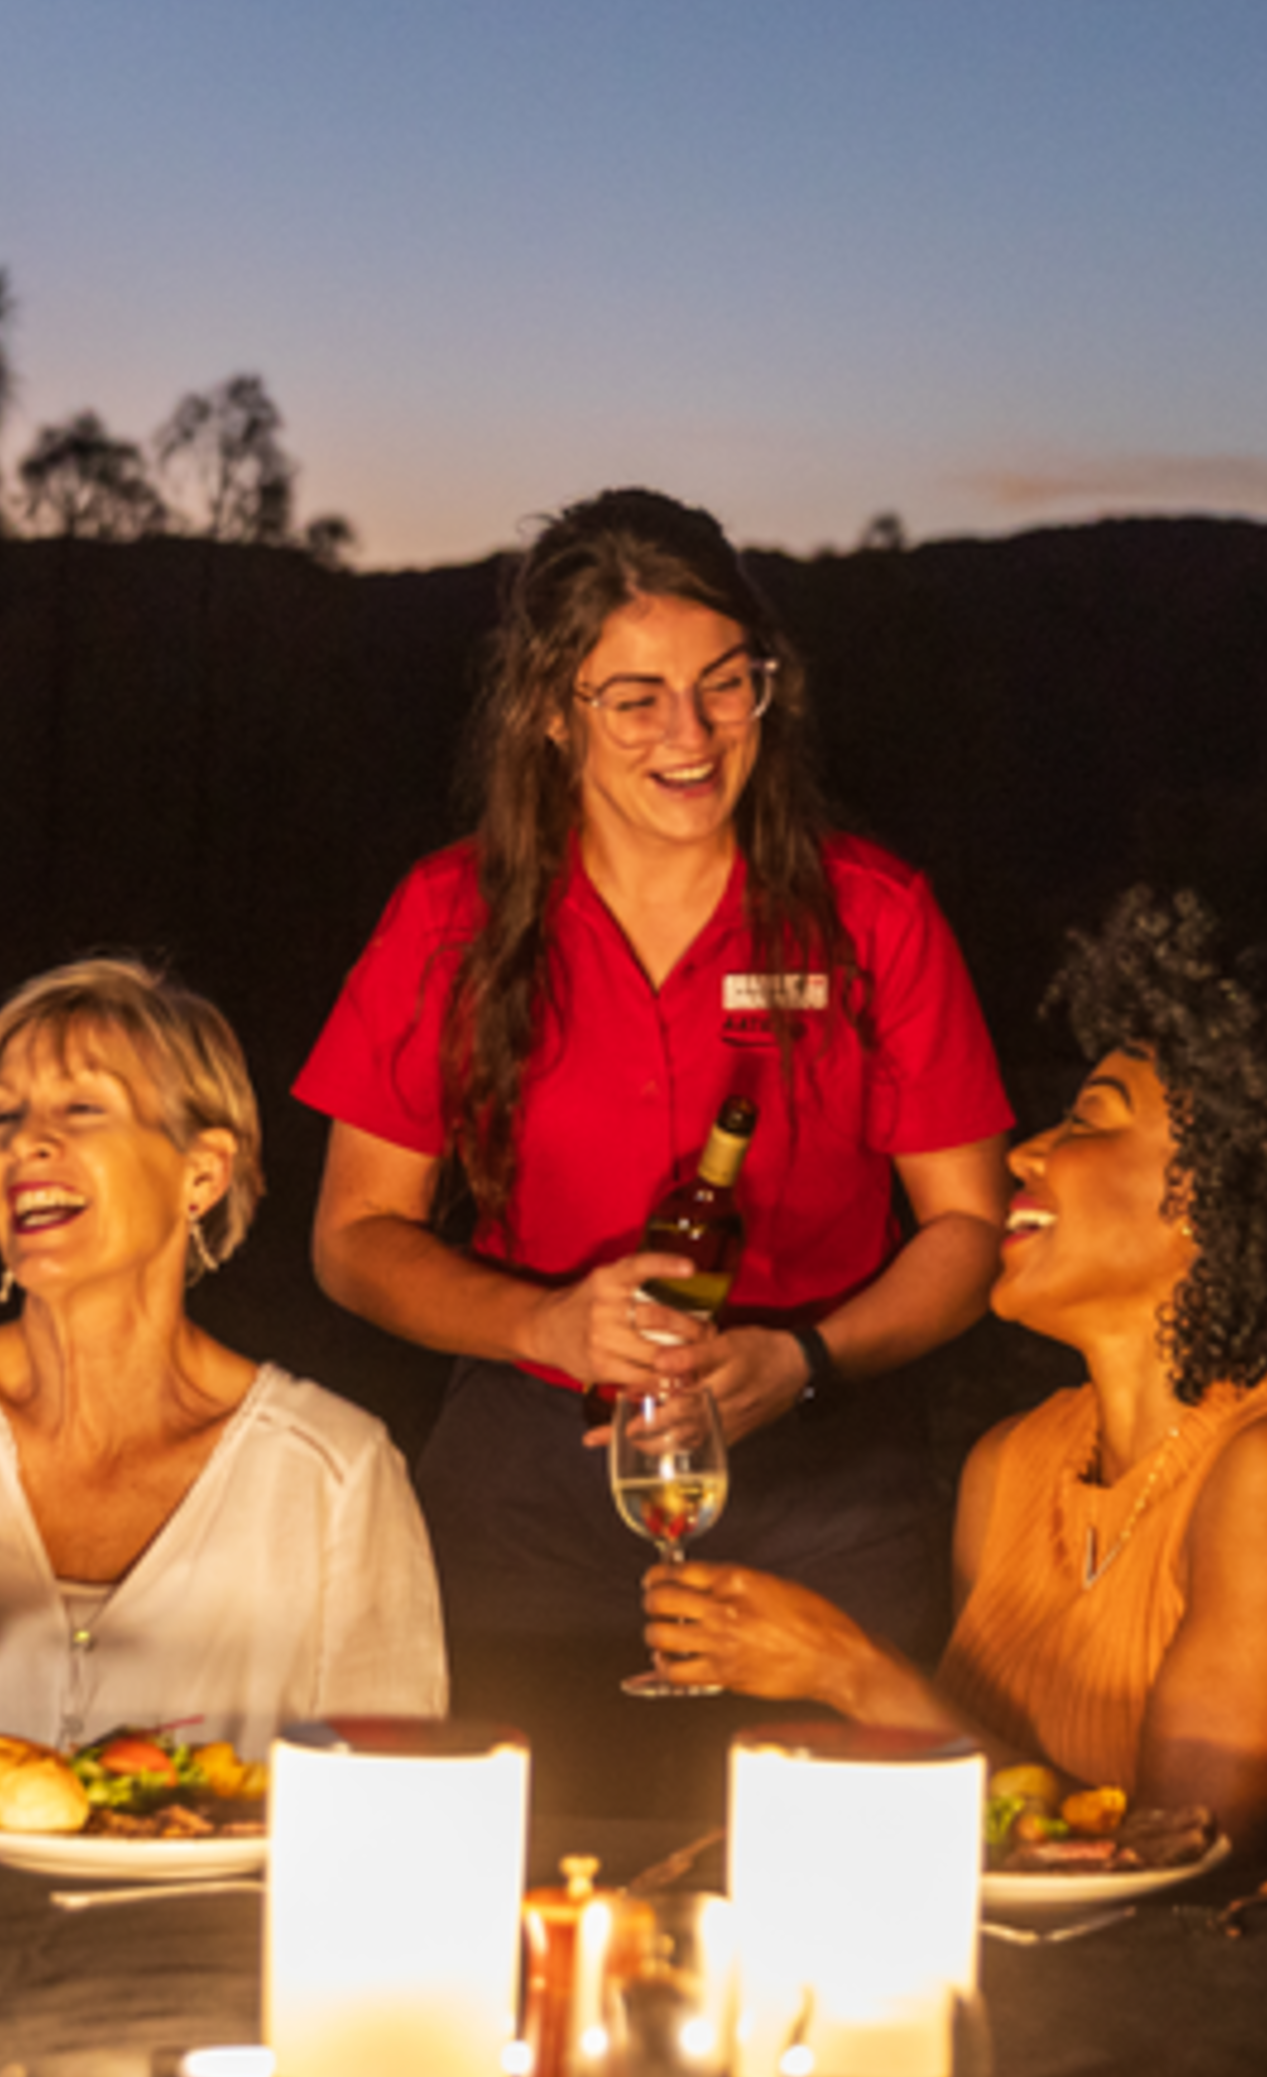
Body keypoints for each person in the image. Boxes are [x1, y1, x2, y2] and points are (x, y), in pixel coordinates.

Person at [295, 488, 1012, 1792]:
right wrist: (543, 1327)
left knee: (848, 1873)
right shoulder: (453, 916)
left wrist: (804, 1361)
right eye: (634, 698)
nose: (689, 734)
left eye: (724, 685)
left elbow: (968, 1229)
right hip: (529, 1484)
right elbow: (351, 1239)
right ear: (550, 710)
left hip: (821, 1482)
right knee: (507, 1851)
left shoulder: (873, 915)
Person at [645, 889, 1267, 1881]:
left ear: (1216, 1194)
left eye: (1090, 1122)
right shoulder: (1014, 1467)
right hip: (1061, 2007)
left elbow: (1177, 1866)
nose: (1028, 1152)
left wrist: (850, 1673)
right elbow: (993, 1834)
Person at [0, 957, 442, 1811]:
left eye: (81, 1108)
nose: (25, 1141)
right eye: (3, 1116)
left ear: (201, 1175)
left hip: (200, 1945)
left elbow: (392, 1812)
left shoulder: (334, 1472)